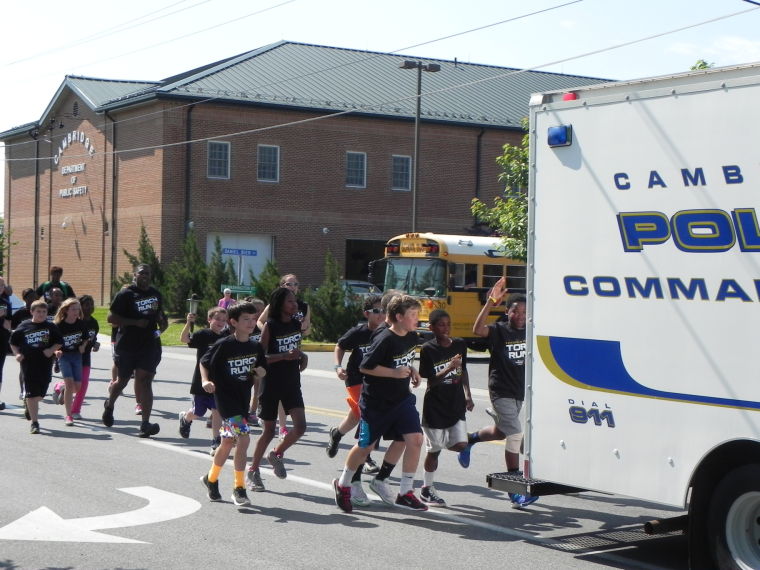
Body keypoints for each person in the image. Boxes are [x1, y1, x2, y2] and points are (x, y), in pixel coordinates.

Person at [332, 294, 427, 513]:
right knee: (366, 446)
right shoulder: (384, 338)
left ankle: (405, 492)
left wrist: (412, 370)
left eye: (417, 314)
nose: (417, 319)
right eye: (413, 315)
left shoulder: (412, 336)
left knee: (414, 439)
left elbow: (404, 359)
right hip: (376, 403)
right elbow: (366, 367)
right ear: (399, 316)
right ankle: (344, 484)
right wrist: (394, 373)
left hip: (402, 399)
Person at [457, 277, 537, 508]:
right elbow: (477, 329)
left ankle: (470, 439)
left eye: (524, 311)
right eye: (516, 311)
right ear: (507, 311)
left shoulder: (531, 330)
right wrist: (490, 302)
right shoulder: (499, 330)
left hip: (519, 392)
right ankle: (515, 492)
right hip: (500, 391)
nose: (520, 315)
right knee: (514, 436)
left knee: (502, 432)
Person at [199, 302, 266, 506]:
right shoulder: (224, 344)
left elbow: (261, 369)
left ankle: (210, 479)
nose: (251, 323)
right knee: (244, 439)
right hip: (226, 400)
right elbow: (204, 361)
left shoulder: (255, 346)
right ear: (233, 322)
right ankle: (239, 488)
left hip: (241, 399)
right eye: (246, 319)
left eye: (254, 319)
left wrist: (257, 372)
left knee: (228, 442)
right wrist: (205, 380)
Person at [246, 287, 308, 492]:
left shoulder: (296, 323)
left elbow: (295, 349)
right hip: (271, 383)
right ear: (280, 304)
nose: (295, 305)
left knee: (300, 427)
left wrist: (302, 355)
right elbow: (260, 358)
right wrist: (283, 356)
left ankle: (276, 454)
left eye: (295, 301)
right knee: (269, 430)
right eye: (290, 302)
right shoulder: (271, 325)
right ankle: (253, 470)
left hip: (292, 382)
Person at [326, 294, 385, 506]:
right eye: (377, 311)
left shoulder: (387, 332)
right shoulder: (359, 332)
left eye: (384, 310)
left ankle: (337, 433)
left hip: (376, 382)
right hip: (356, 379)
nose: (381, 315)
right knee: (367, 415)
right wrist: (338, 366)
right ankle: (365, 458)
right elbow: (339, 345)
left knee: (358, 415)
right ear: (367, 313)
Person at [104, 264, 168, 438]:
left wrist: (161, 328)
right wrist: (134, 322)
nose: (145, 276)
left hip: (148, 345)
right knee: (122, 381)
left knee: (145, 381)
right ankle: (109, 405)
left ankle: (145, 424)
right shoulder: (126, 294)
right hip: (127, 344)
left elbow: (161, 317)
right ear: (135, 275)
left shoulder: (155, 294)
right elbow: (111, 318)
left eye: (148, 273)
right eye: (141, 273)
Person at [418, 309, 474, 506]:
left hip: (456, 403)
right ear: (431, 327)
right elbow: (431, 381)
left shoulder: (459, 344)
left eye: (448, 324)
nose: (446, 328)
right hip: (435, 407)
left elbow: (463, 370)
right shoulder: (427, 349)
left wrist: (468, 395)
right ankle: (426, 489)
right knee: (434, 451)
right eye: (441, 325)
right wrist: (448, 368)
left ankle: (461, 443)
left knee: (461, 444)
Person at [257, 274, 311, 440]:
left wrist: (300, 352)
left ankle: (281, 428)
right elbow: (261, 322)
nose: (292, 286)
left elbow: (306, 328)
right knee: (272, 399)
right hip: (275, 358)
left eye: (295, 284)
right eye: (288, 283)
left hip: (292, 357)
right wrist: (270, 332)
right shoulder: (275, 309)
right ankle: (278, 424)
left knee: (290, 401)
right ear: (282, 286)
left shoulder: (303, 307)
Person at [179, 307, 229, 452]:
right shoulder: (203, 334)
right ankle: (186, 419)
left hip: (218, 382)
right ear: (209, 320)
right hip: (202, 380)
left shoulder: (226, 337)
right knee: (198, 412)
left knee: (216, 411)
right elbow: (184, 339)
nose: (220, 322)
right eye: (217, 319)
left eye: (223, 320)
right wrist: (188, 323)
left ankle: (216, 441)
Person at [10, 300, 63, 434]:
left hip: (45, 364)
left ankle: (30, 404)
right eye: (38, 311)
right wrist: (17, 354)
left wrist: (51, 350)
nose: (41, 314)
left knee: (40, 394)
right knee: (31, 393)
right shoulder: (24, 326)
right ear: (32, 312)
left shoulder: (50, 327)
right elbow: (13, 342)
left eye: (44, 312)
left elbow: (59, 342)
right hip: (28, 363)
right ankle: (35, 423)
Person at [52, 298, 90, 426]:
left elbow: (85, 338)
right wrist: (55, 352)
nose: (76, 311)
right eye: (73, 309)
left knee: (77, 387)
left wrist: (83, 346)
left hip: (77, 356)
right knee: (70, 385)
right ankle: (68, 416)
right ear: (66, 310)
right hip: (64, 356)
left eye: (78, 309)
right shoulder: (59, 326)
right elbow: (53, 342)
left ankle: (60, 387)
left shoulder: (81, 324)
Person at [71, 295, 100, 419]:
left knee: (83, 383)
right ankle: (60, 387)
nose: (90, 307)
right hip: (72, 356)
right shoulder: (75, 321)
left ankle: (75, 410)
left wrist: (95, 344)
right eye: (86, 305)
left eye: (91, 304)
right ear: (80, 307)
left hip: (86, 357)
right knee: (72, 383)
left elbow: (92, 338)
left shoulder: (94, 323)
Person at [0, 277, 12, 410]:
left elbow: (8, 323)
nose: (1, 287)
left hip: (2, 340)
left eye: (2, 285)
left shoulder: (5, 302)